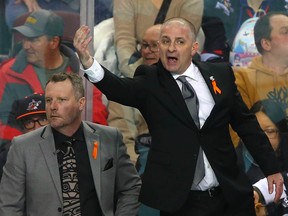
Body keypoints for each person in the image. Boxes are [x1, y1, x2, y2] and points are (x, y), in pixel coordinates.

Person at [74, 17, 283, 215]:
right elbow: (117, 88)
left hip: (229, 194)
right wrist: (88, 62)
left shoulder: (219, 74)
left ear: (194, 48)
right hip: (182, 202)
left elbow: (245, 124)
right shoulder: (150, 80)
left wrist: (271, 168)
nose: (171, 48)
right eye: (165, 41)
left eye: (179, 41)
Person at [0, 72, 141, 216]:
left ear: (81, 103)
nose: (53, 107)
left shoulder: (109, 138)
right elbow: (9, 205)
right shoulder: (22, 147)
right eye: (49, 100)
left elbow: (130, 187)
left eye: (61, 100)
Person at [107, 0, 204, 161]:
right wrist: (137, 75)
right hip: (140, 161)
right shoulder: (128, 87)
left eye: (155, 46)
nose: (148, 51)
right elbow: (123, 138)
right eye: (145, 45)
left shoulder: (192, 86)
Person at [0, 9, 108, 146]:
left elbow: (95, 114)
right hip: (24, 150)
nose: (26, 46)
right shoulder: (8, 73)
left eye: (33, 39)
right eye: (25, 39)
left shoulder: (80, 72)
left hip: (74, 147)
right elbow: (2, 124)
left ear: (54, 42)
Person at [232, 11, 288, 146]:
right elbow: (237, 135)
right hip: (259, 161)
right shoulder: (242, 79)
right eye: (285, 31)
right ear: (266, 43)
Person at [236, 99, 288, 215]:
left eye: (270, 131)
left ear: (281, 133)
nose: (262, 138)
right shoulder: (235, 164)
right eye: (257, 131)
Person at [0, 92, 48, 181]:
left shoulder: (65, 151)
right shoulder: (7, 158)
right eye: (29, 122)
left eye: (43, 119)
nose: (37, 128)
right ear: (22, 128)